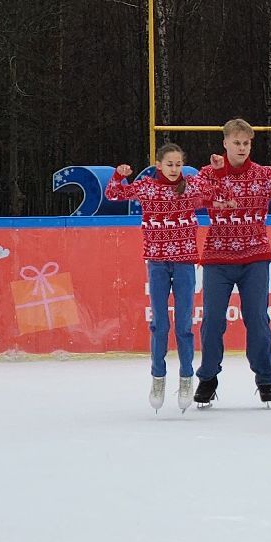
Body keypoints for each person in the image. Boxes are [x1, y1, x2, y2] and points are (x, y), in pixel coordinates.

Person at [193, 118, 271, 408]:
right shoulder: (208, 173)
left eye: (246, 143)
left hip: (254, 257)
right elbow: (192, 199)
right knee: (212, 322)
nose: (242, 148)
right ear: (225, 143)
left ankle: (266, 380)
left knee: (256, 320)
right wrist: (218, 176)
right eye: (237, 142)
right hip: (218, 258)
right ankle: (208, 378)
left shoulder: (262, 175)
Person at [104, 143, 214, 413]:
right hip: (157, 262)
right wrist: (119, 175)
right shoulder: (146, 188)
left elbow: (213, 192)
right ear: (159, 165)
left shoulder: (190, 187)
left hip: (185, 262)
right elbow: (114, 193)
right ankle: (158, 376)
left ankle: (186, 377)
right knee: (160, 324)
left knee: (184, 325)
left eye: (178, 164)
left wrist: (213, 171)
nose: (174, 169)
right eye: (169, 164)